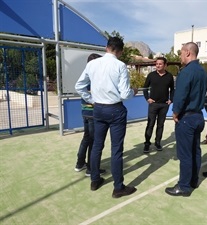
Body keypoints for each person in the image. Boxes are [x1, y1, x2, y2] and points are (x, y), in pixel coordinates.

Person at [75, 37, 138, 198]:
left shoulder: (92, 64)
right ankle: (118, 188)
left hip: (98, 109)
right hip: (115, 110)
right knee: (116, 149)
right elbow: (124, 93)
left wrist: (91, 100)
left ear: (106, 47)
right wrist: (133, 92)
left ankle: (95, 180)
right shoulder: (120, 65)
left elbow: (79, 86)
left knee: (97, 145)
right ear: (120, 51)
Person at [165, 42, 207, 197]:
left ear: (188, 52)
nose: (180, 56)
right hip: (198, 116)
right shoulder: (203, 72)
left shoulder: (186, 72)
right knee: (195, 150)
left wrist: (175, 113)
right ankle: (193, 181)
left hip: (186, 118)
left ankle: (183, 186)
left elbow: (181, 95)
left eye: (181, 53)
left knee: (185, 154)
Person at [74, 53, 107, 177]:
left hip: (85, 112)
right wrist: (94, 102)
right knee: (94, 141)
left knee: (87, 138)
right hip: (93, 113)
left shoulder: (85, 75)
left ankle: (80, 163)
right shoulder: (94, 77)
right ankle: (91, 169)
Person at [143, 57, 174, 153]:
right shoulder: (151, 75)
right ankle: (147, 143)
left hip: (164, 105)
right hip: (153, 104)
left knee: (160, 125)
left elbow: (172, 89)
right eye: (157, 64)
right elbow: (145, 88)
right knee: (150, 124)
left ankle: (157, 142)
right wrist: (147, 98)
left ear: (165, 65)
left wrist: (171, 99)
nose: (158, 65)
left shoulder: (169, 76)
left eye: (160, 64)